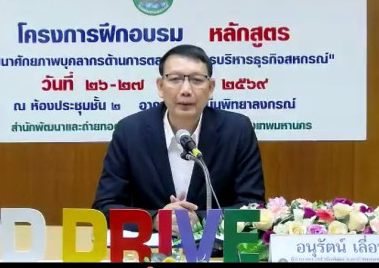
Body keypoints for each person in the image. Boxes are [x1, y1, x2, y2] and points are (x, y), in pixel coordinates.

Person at [92, 44, 266, 234]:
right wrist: (155, 220)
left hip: (214, 248)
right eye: (175, 79)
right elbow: (104, 208)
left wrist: (200, 220)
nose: (186, 90)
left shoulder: (237, 130)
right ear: (160, 86)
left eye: (197, 80)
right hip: (150, 247)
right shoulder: (130, 132)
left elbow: (253, 207)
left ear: (210, 88)